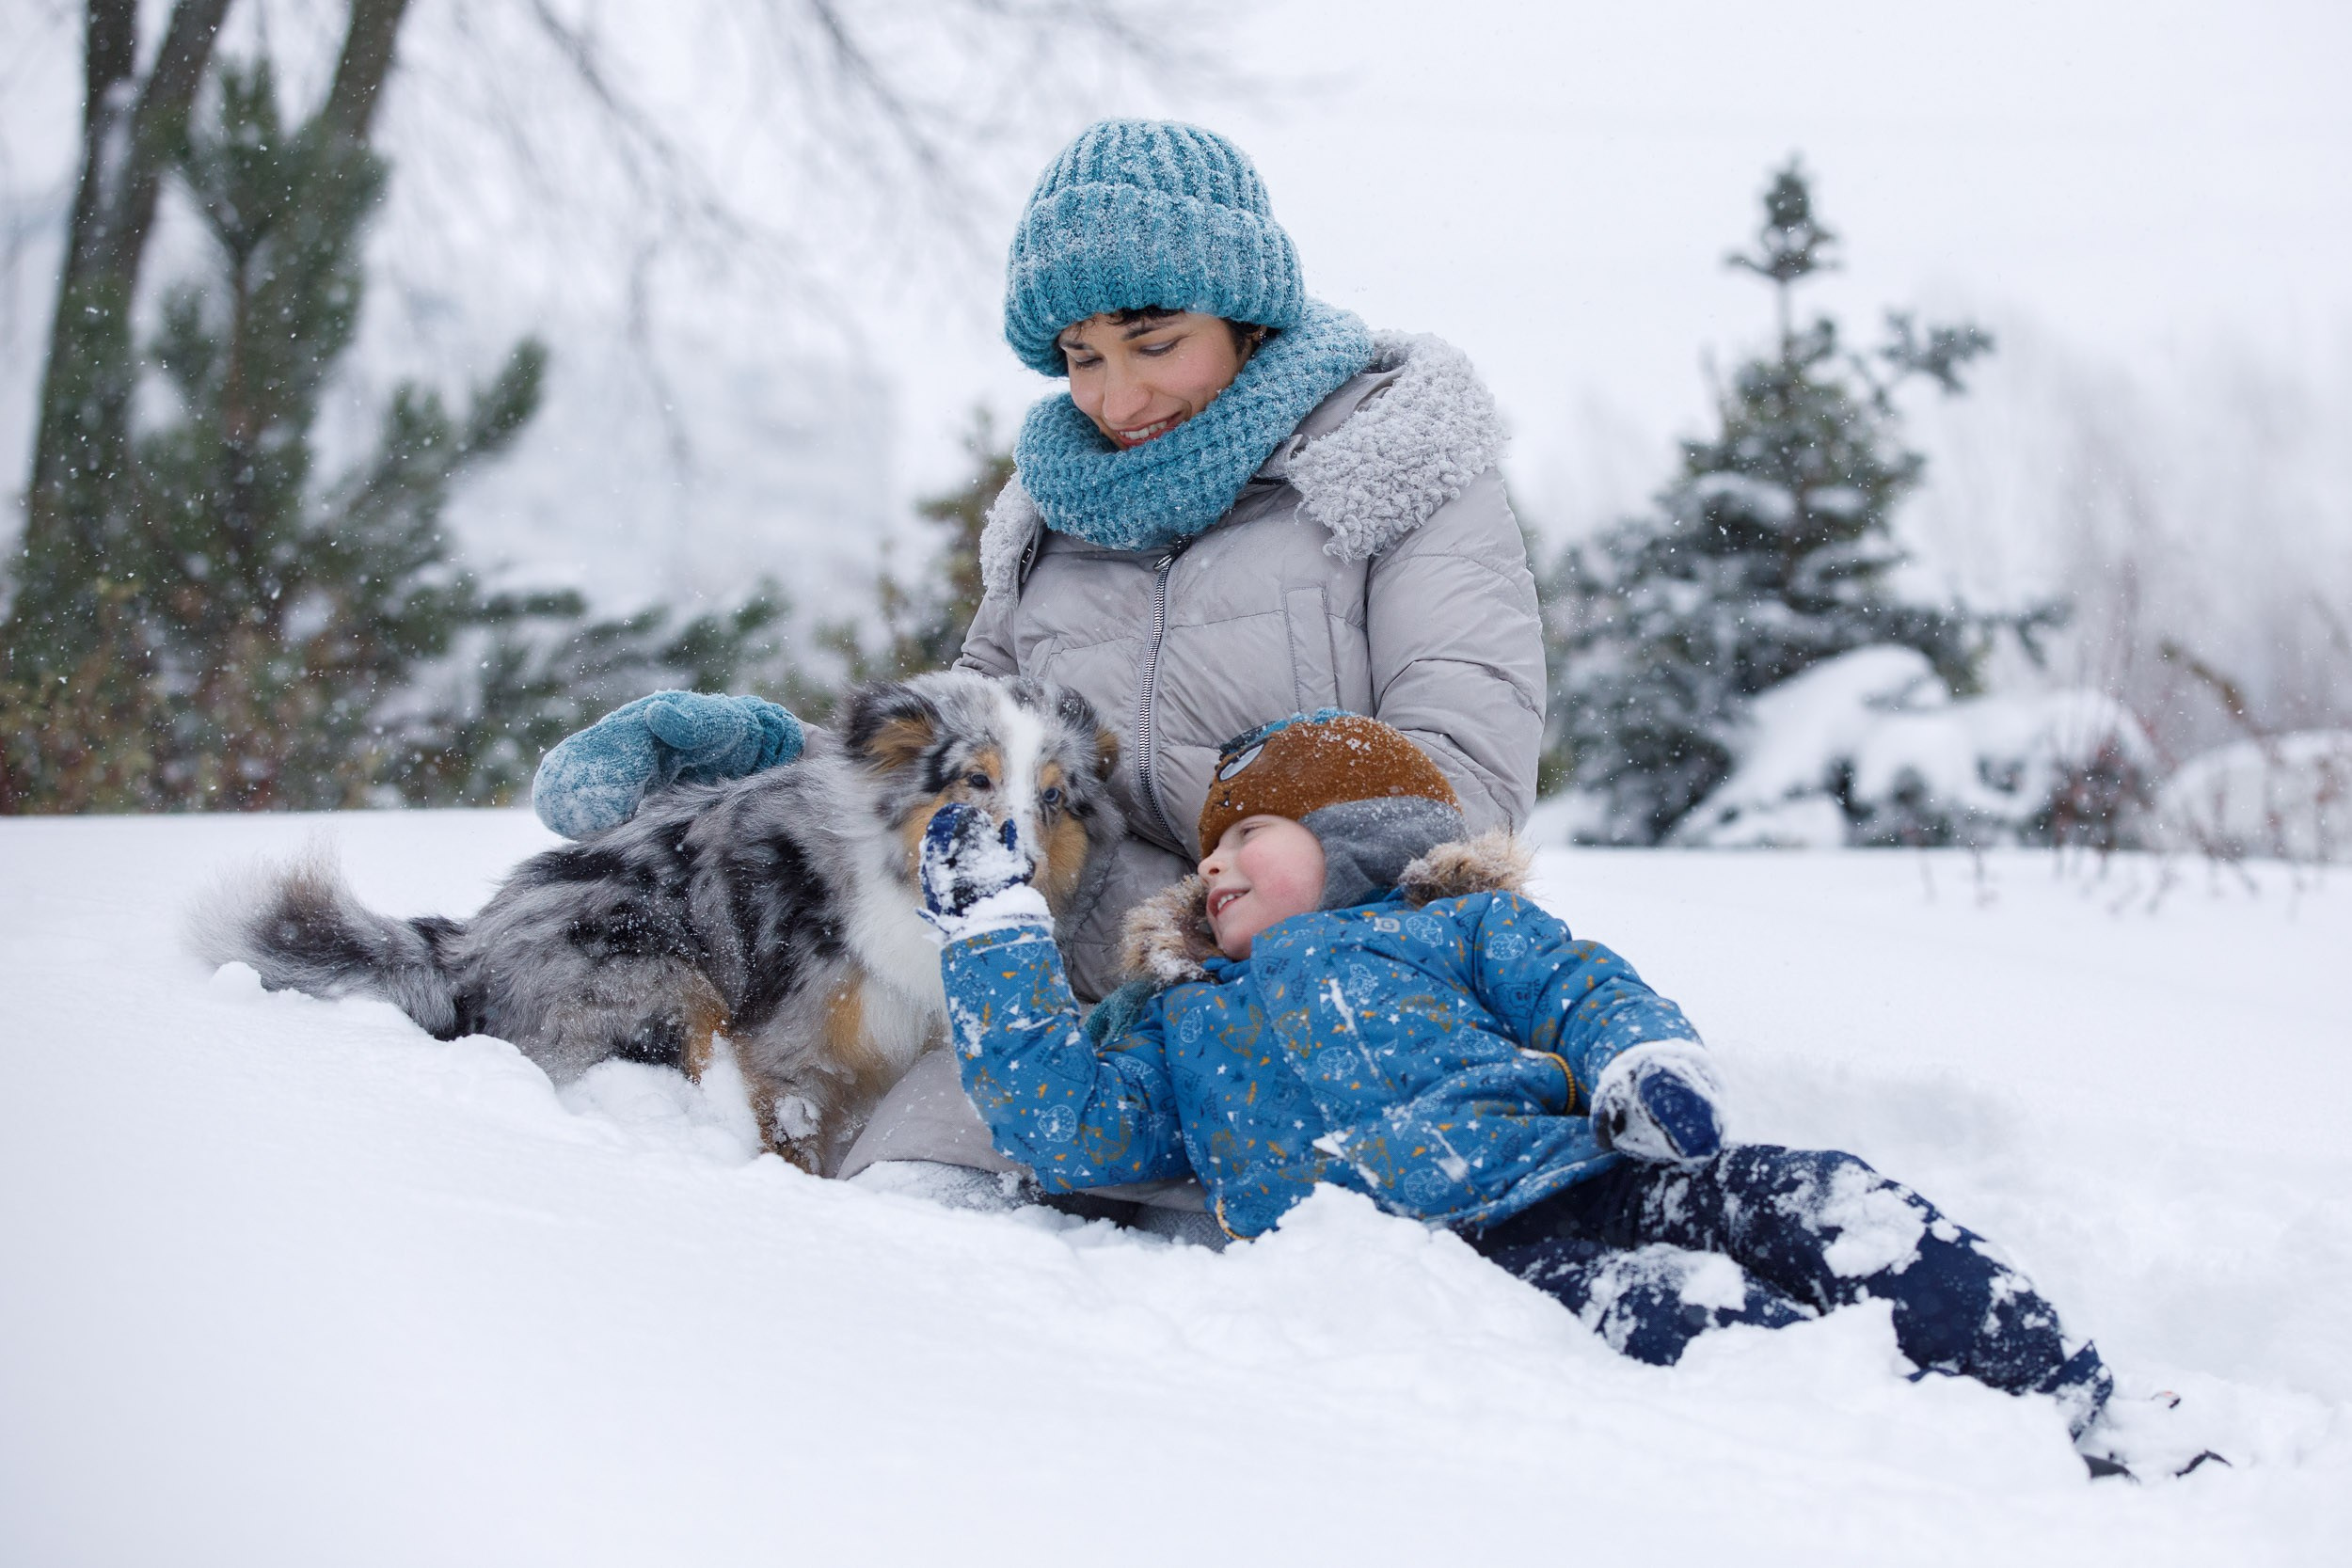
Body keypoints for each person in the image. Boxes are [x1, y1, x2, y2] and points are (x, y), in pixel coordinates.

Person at [527, 119, 1547, 1199]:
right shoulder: (1047, 523)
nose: (1115, 398)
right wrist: (774, 764)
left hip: (1318, 986)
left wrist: (1245, 902)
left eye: (1153, 342)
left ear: (1248, 318)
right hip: (1047, 1005)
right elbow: (973, 747)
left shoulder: (1388, 471)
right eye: (1080, 357)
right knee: (909, 1219)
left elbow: (1460, 788)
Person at [914, 708, 2168, 1475]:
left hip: (1601, 1169)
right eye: (1208, 849)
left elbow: (1580, 987)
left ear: (1356, 831)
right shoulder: (1186, 1017)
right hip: (1463, 1264)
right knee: (1670, 1320)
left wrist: (1644, 1065)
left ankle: (2054, 1387)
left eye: (1250, 832)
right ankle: (1939, 1458)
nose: (1217, 861)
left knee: (1820, 1196)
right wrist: (991, 930)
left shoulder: (1452, 925)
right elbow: (1059, 1119)